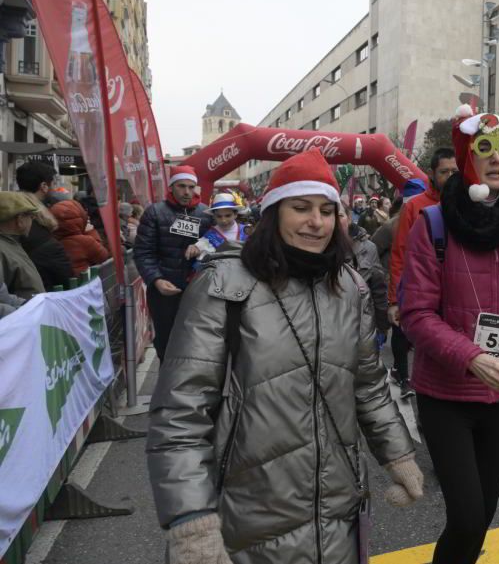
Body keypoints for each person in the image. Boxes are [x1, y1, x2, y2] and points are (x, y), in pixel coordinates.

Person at [147, 149, 421, 564]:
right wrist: (191, 518)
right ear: (273, 213)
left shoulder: (348, 286)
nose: (317, 221)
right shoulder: (223, 284)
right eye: (302, 208)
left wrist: (398, 454)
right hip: (244, 521)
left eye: (328, 210)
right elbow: (180, 413)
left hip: (337, 512)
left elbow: (368, 385)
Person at [400, 108, 499, 564]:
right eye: (483, 148)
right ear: (468, 157)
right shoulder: (433, 223)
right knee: (465, 516)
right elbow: (416, 314)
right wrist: (470, 356)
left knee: (481, 517)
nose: (495, 157)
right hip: (445, 394)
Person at [386, 149, 457, 393]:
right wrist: (395, 300)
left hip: (456, 293)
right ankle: (407, 379)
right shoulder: (415, 206)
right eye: (444, 171)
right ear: (432, 174)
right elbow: (399, 253)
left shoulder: (468, 203)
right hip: (421, 291)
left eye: (454, 171)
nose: (450, 176)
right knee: (417, 342)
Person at [134, 166, 213, 361]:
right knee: (165, 342)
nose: (187, 192)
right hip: (164, 291)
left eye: (191, 187)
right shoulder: (154, 212)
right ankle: (166, 382)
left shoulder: (206, 214)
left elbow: (218, 245)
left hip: (198, 290)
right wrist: (156, 280)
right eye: (181, 186)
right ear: (172, 187)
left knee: (196, 342)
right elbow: (143, 252)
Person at [15, 161, 72, 291]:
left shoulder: (8, 218)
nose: (54, 188)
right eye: (53, 184)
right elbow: (66, 282)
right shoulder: (44, 239)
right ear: (44, 186)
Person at [339, 205, 390, 333]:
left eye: (339, 215)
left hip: (361, 326)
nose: (334, 219)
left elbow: (378, 290)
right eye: (327, 213)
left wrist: (381, 326)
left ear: (349, 218)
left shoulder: (368, 248)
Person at [0, 192, 45, 300]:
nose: (32, 221)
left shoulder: (10, 243)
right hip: (23, 315)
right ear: (20, 219)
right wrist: (22, 308)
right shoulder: (3, 248)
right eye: (31, 216)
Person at [51, 199, 110, 276]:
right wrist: (90, 232)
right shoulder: (85, 241)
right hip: (83, 282)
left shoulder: (51, 241)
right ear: (80, 217)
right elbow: (103, 255)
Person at [187, 192, 250, 262]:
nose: (223, 220)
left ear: (235, 214)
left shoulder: (247, 231)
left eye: (228, 215)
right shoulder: (210, 235)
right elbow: (200, 251)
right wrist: (195, 248)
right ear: (214, 216)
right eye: (219, 216)